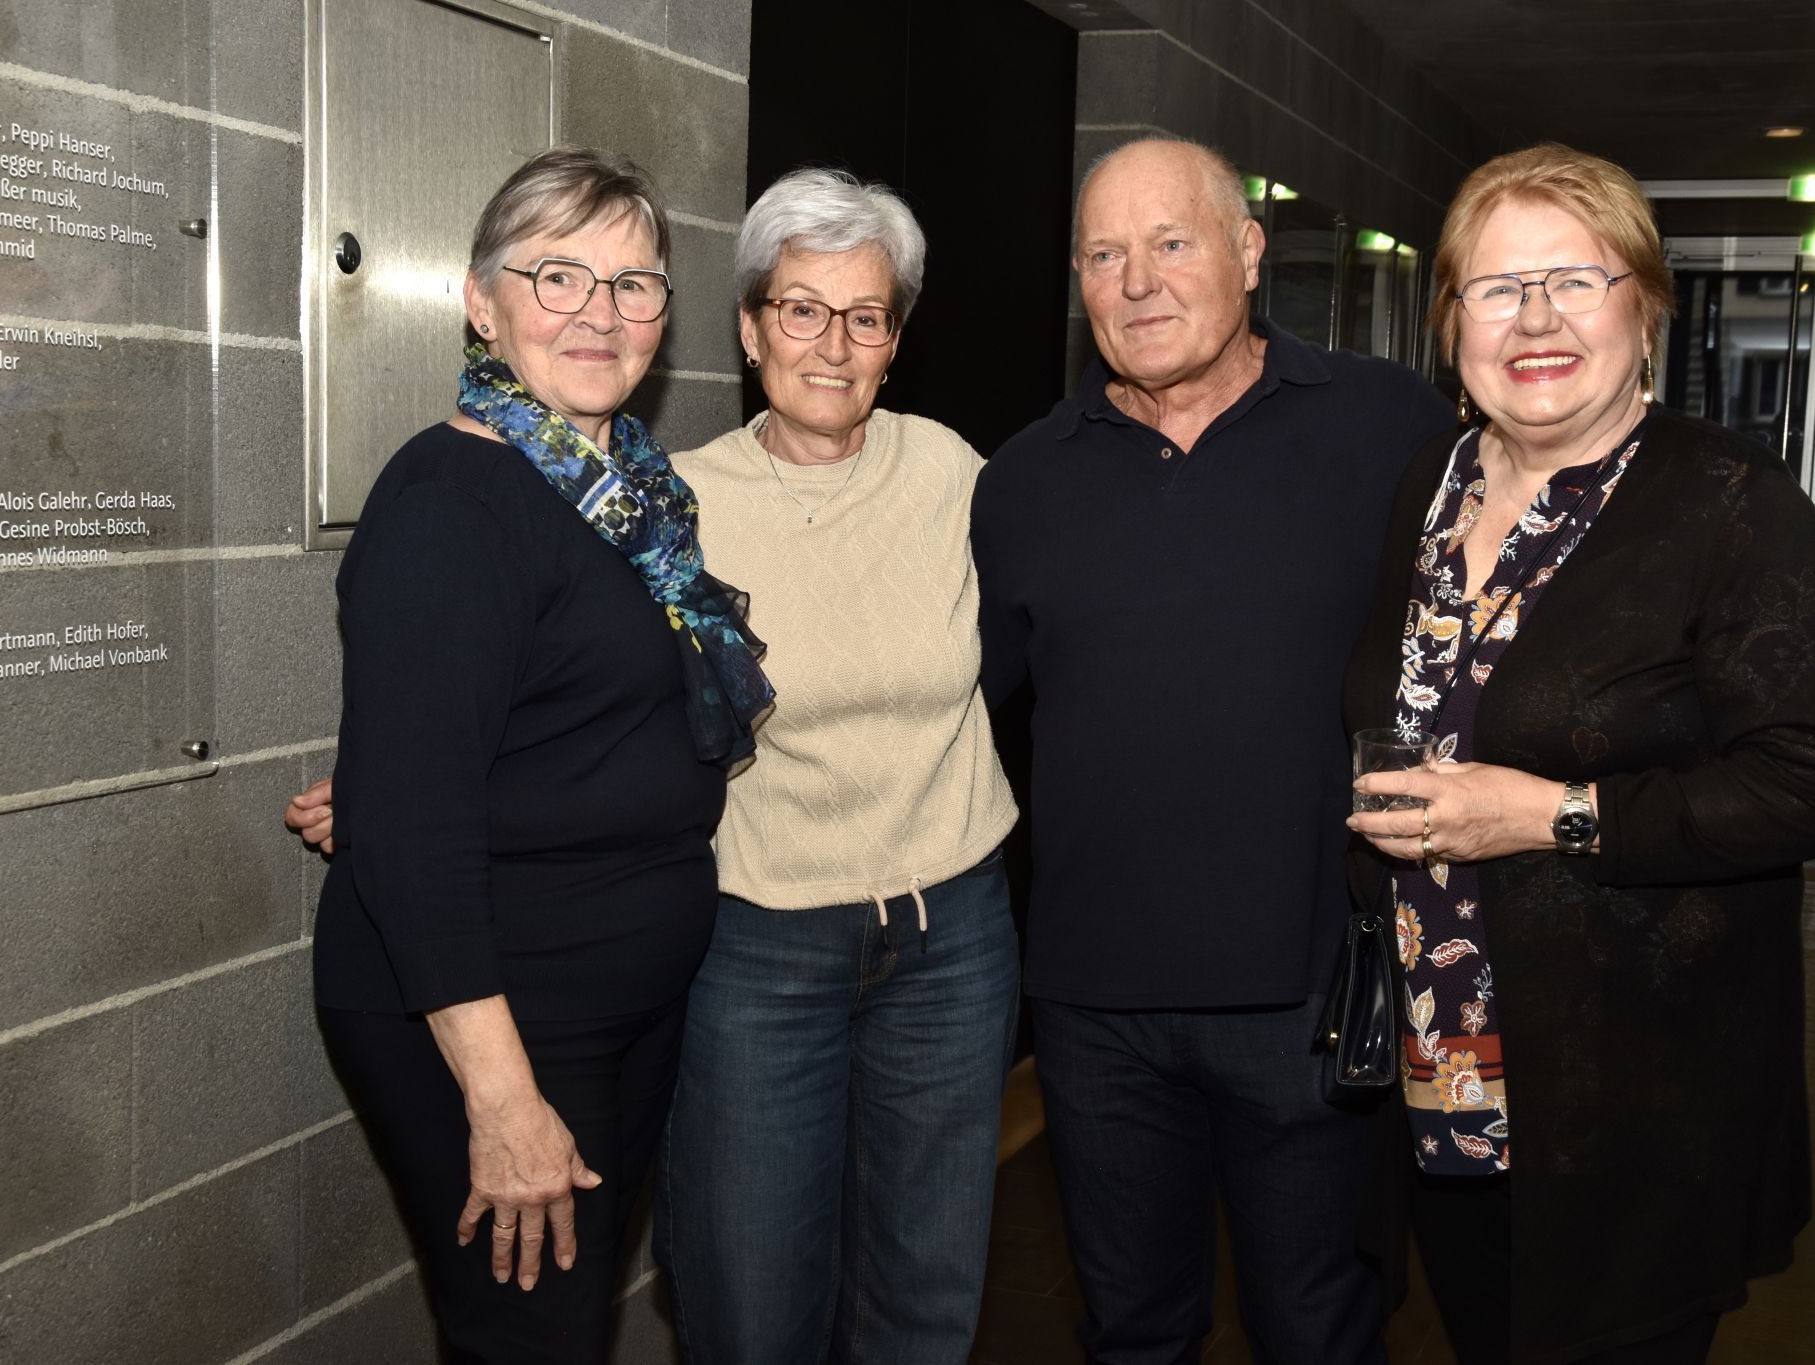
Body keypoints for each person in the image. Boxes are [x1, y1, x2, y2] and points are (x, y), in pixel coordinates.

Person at [1344, 142, 1815, 1364]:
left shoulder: (1727, 504)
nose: (1534, 320)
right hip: (1444, 1060)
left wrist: (1547, 816)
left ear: (1643, 306)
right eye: (1495, 288)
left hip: (1635, 1094)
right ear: (1448, 324)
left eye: (1574, 281)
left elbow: (1812, 785)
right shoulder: (1427, 484)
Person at [971, 136, 1454, 1364]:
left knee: (1319, 1330)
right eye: (1102, 254)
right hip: (1092, 1011)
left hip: (1306, 997)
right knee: (1131, 1331)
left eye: (1170, 243)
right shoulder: (1023, 478)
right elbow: (952, 705)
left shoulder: (1387, 424)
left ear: (1246, 253)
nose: (1136, 281)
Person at [304, 145, 770, 1363]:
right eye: (556, 277)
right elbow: (413, 834)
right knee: (533, 1339)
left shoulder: (624, 491)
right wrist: (503, 1104)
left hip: (614, 987)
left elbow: (540, 721)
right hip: (501, 1008)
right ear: (480, 300)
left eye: (633, 286)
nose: (596, 315)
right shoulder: (453, 501)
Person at [652, 167, 1019, 1363]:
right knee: (752, 1302)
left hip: (952, 938)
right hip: (760, 948)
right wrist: (421, 779)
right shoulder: (681, 502)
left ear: (894, 340)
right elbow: (572, 684)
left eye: (864, 316)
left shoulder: (950, 473)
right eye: (800, 309)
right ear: (750, 324)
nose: (830, 342)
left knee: (926, 1294)